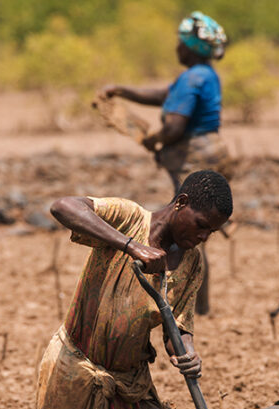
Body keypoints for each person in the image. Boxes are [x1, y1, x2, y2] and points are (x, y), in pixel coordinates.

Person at [28, 170, 232, 409]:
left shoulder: (191, 264)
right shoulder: (129, 218)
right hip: (75, 367)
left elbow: (177, 326)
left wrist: (188, 351)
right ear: (182, 203)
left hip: (130, 380)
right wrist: (130, 246)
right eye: (201, 225)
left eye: (212, 232)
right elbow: (63, 206)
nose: (204, 236)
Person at [99, 10, 231, 315]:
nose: (177, 48)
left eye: (181, 42)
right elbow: (164, 94)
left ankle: (194, 306)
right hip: (212, 150)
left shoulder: (192, 78)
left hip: (192, 155)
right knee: (200, 228)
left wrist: (154, 139)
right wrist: (122, 91)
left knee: (186, 229)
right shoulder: (205, 75)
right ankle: (201, 305)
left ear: (191, 47)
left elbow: (174, 126)